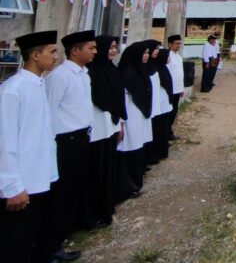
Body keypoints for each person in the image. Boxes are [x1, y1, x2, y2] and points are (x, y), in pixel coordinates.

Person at [0, 31, 59, 263]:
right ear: (35, 55)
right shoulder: (13, 89)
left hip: (39, 178)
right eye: (51, 52)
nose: (56, 57)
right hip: (20, 186)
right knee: (13, 244)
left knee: (29, 240)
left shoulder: (39, 84)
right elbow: (5, 139)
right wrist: (12, 185)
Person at [42, 30, 97, 263]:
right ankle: (50, 247)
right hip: (64, 142)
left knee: (73, 189)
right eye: (90, 48)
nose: (95, 51)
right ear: (75, 51)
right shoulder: (60, 76)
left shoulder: (83, 74)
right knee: (60, 194)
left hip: (81, 138)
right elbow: (49, 112)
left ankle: (62, 236)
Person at [84, 35, 126, 229]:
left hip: (111, 126)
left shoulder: (113, 70)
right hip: (96, 129)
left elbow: (118, 100)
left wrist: (120, 124)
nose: (113, 51)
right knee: (95, 171)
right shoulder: (90, 72)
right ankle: (94, 212)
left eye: (115, 47)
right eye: (109, 47)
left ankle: (107, 207)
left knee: (108, 168)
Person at [116, 42, 153, 203]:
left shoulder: (140, 70)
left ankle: (135, 183)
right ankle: (127, 187)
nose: (147, 55)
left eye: (147, 53)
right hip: (129, 118)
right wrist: (122, 122)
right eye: (144, 53)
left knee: (137, 149)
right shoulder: (127, 73)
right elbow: (121, 100)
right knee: (128, 150)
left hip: (139, 117)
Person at [145, 42, 173, 164]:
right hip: (158, 106)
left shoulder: (161, 68)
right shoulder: (154, 69)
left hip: (165, 105)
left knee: (163, 129)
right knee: (157, 130)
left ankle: (162, 150)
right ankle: (155, 153)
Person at [166, 35, 185, 141]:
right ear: (170, 44)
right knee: (169, 113)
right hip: (170, 91)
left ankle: (169, 132)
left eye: (179, 43)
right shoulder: (167, 56)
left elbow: (180, 74)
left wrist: (181, 88)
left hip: (177, 90)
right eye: (176, 43)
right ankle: (166, 132)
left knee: (174, 112)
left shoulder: (178, 56)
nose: (178, 45)